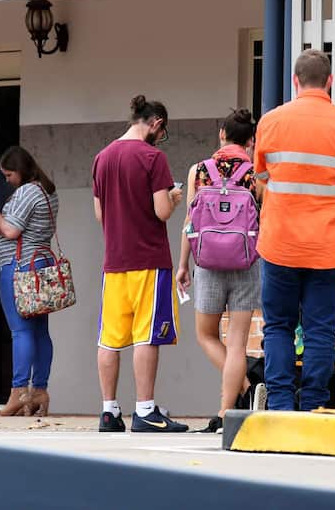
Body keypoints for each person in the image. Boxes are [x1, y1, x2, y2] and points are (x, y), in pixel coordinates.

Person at [253, 49, 335, 412]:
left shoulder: (270, 122)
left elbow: (262, 179)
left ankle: (281, 403)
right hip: (328, 247)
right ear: (330, 82)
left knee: (278, 326)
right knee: (320, 330)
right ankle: (315, 403)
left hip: (280, 244)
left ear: (295, 81)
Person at [92, 95, 188, 433]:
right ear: (157, 123)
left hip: (114, 262)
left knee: (110, 339)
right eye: (163, 133)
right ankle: (145, 410)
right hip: (149, 260)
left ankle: (108, 411)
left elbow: (99, 214)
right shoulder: (152, 157)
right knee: (146, 336)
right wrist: (174, 198)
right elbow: (161, 211)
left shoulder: (102, 158)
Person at [176, 108, 261, 433]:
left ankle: (243, 390)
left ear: (222, 135)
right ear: (251, 141)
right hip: (246, 263)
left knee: (207, 335)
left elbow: (190, 223)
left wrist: (183, 264)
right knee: (238, 343)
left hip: (207, 264)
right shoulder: (256, 174)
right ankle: (227, 411)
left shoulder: (199, 171)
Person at [0, 145, 59, 417]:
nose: (6, 180)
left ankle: (19, 392)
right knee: (40, 331)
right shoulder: (48, 191)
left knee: (20, 331)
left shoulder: (27, 191)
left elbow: (10, 230)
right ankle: (39, 390)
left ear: (19, 171)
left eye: (8, 175)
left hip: (19, 267)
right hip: (41, 265)